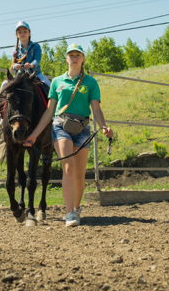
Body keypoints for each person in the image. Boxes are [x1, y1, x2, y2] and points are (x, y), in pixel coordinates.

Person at [23, 44, 113, 227]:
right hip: (60, 126)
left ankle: (77, 208)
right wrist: (34, 135)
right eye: (71, 55)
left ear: (82, 59)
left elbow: (96, 108)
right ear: (66, 59)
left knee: (79, 174)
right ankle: (69, 212)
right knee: (68, 168)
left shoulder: (90, 82)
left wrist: (103, 126)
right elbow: (49, 112)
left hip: (82, 128)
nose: (74, 58)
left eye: (77, 55)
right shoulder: (57, 82)